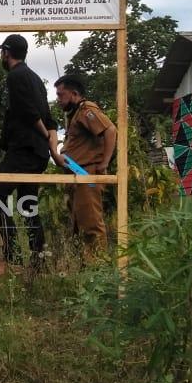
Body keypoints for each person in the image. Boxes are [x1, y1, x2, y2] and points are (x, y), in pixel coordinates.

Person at [0, 34, 58, 277]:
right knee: (28, 205)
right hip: (37, 153)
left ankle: (12, 258)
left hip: (25, 149)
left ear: (6, 52)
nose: (1, 57)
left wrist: (45, 136)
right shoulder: (36, 79)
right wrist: (53, 149)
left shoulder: (15, 76)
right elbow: (49, 118)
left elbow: (29, 112)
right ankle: (39, 263)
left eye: (1, 53)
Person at [52, 74, 117, 259]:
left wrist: (104, 163)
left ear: (74, 94)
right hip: (77, 175)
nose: (58, 99)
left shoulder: (87, 110)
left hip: (88, 174)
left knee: (91, 225)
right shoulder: (75, 114)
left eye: (60, 95)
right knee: (78, 225)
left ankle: (98, 270)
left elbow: (110, 130)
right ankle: (85, 265)